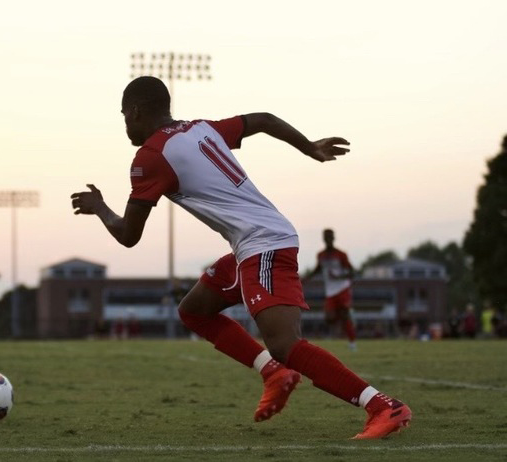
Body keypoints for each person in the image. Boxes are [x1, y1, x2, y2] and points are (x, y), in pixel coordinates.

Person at [70, 76, 411, 439]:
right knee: (194, 310)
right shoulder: (200, 129)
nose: (124, 124)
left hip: (264, 244)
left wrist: (100, 207)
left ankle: (383, 406)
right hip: (255, 243)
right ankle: (273, 373)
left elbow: (128, 236)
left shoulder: (150, 157)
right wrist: (308, 147)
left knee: (284, 344)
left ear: (135, 111)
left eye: (124, 116)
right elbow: (263, 119)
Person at [305, 229, 357, 350]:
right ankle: (345, 316)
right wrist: (306, 279)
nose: (328, 238)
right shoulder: (321, 255)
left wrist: (339, 276)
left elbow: (352, 272)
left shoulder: (341, 254)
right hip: (330, 291)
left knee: (344, 316)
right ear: (324, 238)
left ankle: (352, 343)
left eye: (330, 236)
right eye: (326, 236)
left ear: (333, 238)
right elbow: (317, 269)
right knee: (328, 319)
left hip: (342, 288)